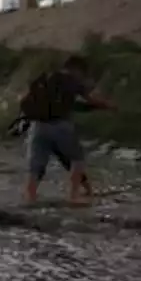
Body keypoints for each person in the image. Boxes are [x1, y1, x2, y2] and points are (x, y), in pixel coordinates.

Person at [18, 55, 113, 205]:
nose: (82, 77)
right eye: (82, 73)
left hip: (37, 126)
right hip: (60, 126)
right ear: (76, 69)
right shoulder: (71, 81)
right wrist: (107, 105)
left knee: (36, 165)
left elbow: (25, 99)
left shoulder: (45, 78)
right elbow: (90, 99)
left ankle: (30, 196)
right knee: (77, 160)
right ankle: (73, 196)